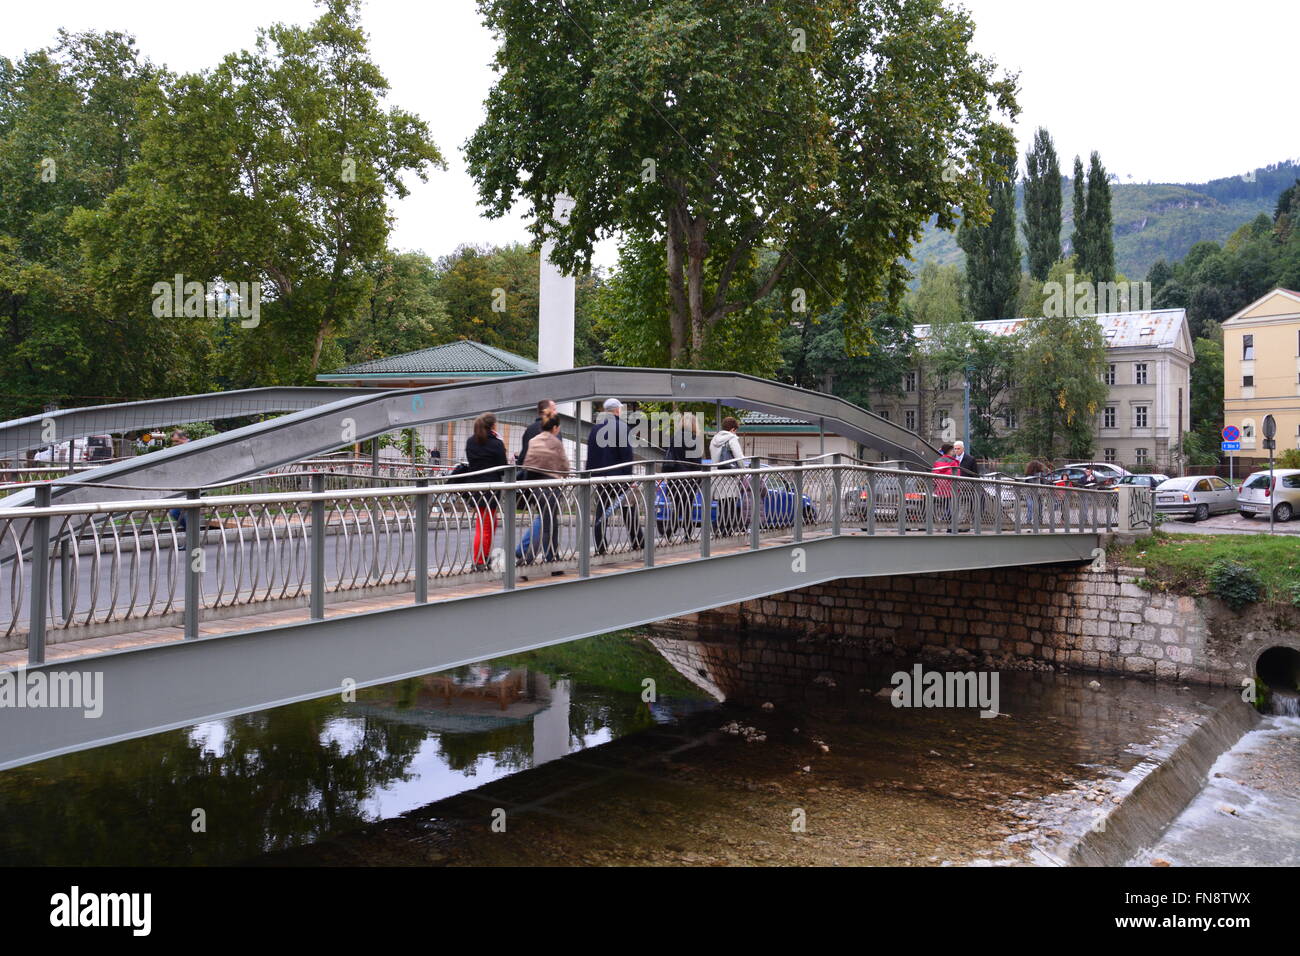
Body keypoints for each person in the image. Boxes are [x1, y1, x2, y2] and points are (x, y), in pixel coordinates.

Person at [587, 398, 640, 554]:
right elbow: (626, 456)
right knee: (628, 509)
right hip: (619, 478)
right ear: (617, 410)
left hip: (601, 478)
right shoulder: (622, 428)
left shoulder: (595, 429)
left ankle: (600, 545)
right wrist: (629, 478)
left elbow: (591, 455)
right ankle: (637, 540)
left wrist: (591, 475)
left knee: (601, 510)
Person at [520, 413, 569, 579]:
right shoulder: (555, 442)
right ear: (555, 428)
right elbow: (564, 467)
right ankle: (530, 562)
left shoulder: (533, 441)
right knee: (548, 528)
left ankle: (549, 560)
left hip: (535, 488)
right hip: (551, 488)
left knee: (544, 523)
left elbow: (527, 463)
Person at [463, 413, 507, 571]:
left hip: (474, 488)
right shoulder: (496, 444)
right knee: (485, 526)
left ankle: (484, 556)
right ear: (492, 425)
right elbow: (503, 464)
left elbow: (470, 461)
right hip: (490, 489)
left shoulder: (471, 441)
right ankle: (479, 560)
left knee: (487, 523)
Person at [515, 398, 557, 562]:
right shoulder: (552, 430)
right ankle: (535, 554)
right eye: (554, 408)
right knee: (547, 520)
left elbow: (523, 457)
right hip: (549, 481)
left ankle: (530, 553)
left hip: (532, 481)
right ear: (547, 411)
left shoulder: (530, 429)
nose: (556, 412)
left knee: (544, 517)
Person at [664, 413, 705, 539]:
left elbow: (669, 457)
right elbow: (697, 463)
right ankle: (687, 533)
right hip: (689, 478)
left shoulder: (674, 437)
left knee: (676, 505)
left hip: (675, 477)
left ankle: (670, 531)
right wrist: (698, 480)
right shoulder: (694, 439)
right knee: (688, 505)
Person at [709, 417, 748, 536]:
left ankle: (719, 528)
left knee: (722, 505)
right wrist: (744, 471)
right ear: (733, 429)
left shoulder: (714, 440)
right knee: (730, 505)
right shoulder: (732, 439)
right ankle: (727, 529)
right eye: (735, 430)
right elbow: (739, 458)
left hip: (717, 476)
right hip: (730, 477)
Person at [167, 430, 191, 544]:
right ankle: (191, 539)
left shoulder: (192, 447)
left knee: (176, 512)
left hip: (193, 487)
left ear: (184, 438)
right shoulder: (180, 449)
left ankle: (192, 539)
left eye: (176, 441)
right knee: (179, 512)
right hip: (185, 487)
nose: (174, 444)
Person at [931, 442, 960, 530]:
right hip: (951, 487)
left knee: (946, 506)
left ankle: (944, 522)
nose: (954, 452)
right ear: (949, 451)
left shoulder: (939, 461)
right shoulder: (952, 462)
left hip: (941, 489)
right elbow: (955, 474)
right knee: (952, 507)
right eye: (952, 450)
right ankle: (947, 523)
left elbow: (935, 474)